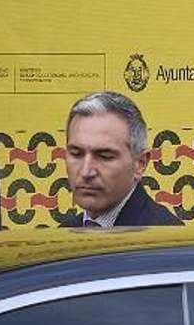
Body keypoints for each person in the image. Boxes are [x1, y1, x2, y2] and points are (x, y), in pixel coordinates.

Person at [59, 90, 181, 228]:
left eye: (104, 157)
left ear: (140, 164)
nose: (86, 172)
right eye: (76, 154)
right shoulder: (62, 235)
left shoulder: (164, 240)